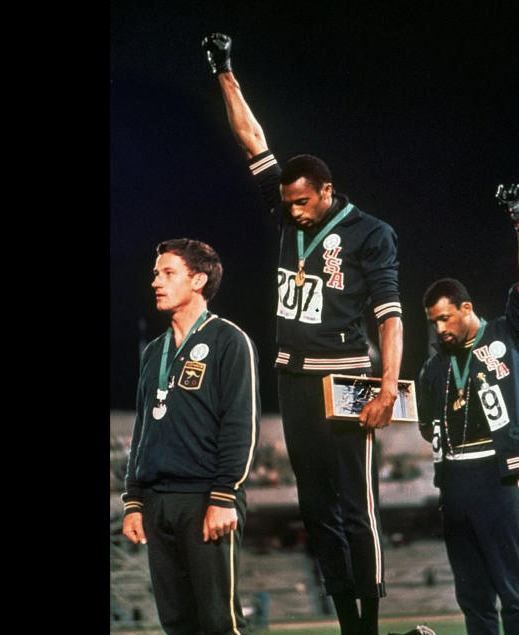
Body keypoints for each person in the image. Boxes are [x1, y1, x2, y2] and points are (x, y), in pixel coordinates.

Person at [201, 32, 404, 635]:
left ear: (327, 191)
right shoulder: (288, 207)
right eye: (286, 203)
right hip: (292, 378)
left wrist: (388, 386)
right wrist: (224, 71)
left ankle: (369, 621)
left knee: (356, 507)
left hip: (346, 379)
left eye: (301, 202)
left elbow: (390, 316)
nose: (291, 212)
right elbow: (253, 141)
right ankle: (347, 622)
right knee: (316, 511)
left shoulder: (372, 234)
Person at [417, 184, 519, 635]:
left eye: (445, 318)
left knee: (513, 596)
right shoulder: (433, 369)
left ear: (466, 308)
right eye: (433, 321)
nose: (439, 327)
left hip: (498, 475)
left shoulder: (505, 336)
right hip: (452, 483)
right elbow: (423, 426)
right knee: (472, 600)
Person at [122, 238, 261, 635]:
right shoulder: (153, 353)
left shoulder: (229, 341)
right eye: (155, 274)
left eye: (168, 273)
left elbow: (240, 425)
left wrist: (223, 496)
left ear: (198, 280)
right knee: (177, 624)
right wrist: (133, 501)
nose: (156, 282)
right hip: (156, 502)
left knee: (220, 623)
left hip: (205, 500)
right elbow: (142, 430)